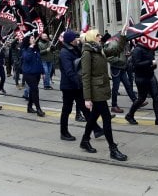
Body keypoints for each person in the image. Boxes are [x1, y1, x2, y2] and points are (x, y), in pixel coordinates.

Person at [80, 29, 127, 161]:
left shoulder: (99, 49)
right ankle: (113, 148)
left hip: (102, 88)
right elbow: (85, 76)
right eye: (98, 35)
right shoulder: (87, 53)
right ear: (91, 38)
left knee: (93, 117)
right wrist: (87, 98)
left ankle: (84, 140)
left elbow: (116, 50)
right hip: (96, 91)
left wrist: (123, 36)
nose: (100, 37)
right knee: (106, 118)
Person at [58, 30, 104, 141]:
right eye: (75, 38)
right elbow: (69, 72)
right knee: (67, 110)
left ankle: (96, 129)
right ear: (70, 40)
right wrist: (80, 83)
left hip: (77, 85)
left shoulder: (74, 49)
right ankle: (63, 133)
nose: (77, 39)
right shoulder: (64, 52)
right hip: (69, 86)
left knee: (85, 108)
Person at [125, 41, 158, 126]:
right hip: (141, 78)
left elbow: (152, 62)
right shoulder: (137, 50)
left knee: (156, 97)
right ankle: (129, 115)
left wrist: (154, 65)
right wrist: (150, 62)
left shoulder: (150, 49)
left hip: (151, 76)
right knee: (141, 98)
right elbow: (137, 64)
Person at [107, 33, 138, 113]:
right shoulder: (113, 44)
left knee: (128, 85)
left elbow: (124, 54)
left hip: (123, 68)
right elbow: (110, 58)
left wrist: (127, 56)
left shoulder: (125, 43)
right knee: (115, 88)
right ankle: (114, 105)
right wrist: (120, 60)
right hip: (116, 69)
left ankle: (135, 101)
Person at [22, 35, 45, 116]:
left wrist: (42, 72)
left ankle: (29, 107)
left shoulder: (36, 49)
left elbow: (39, 61)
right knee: (35, 90)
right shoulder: (25, 49)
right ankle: (38, 109)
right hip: (29, 73)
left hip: (37, 72)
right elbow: (27, 58)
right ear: (28, 41)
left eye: (33, 38)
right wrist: (30, 48)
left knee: (32, 90)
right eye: (31, 38)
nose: (34, 39)